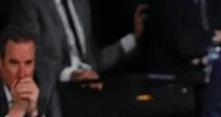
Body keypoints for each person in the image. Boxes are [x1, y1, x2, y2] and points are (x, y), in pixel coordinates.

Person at [9, 0, 148, 90]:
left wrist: (134, 38)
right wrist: (72, 75)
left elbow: (95, 60)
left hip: (90, 88)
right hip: (56, 92)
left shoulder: (81, 4)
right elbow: (29, 58)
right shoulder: (29, 5)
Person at [0, 27, 64, 117]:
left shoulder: (45, 87)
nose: (22, 73)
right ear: (1, 64)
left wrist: (35, 115)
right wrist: (17, 110)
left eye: (28, 63)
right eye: (14, 63)